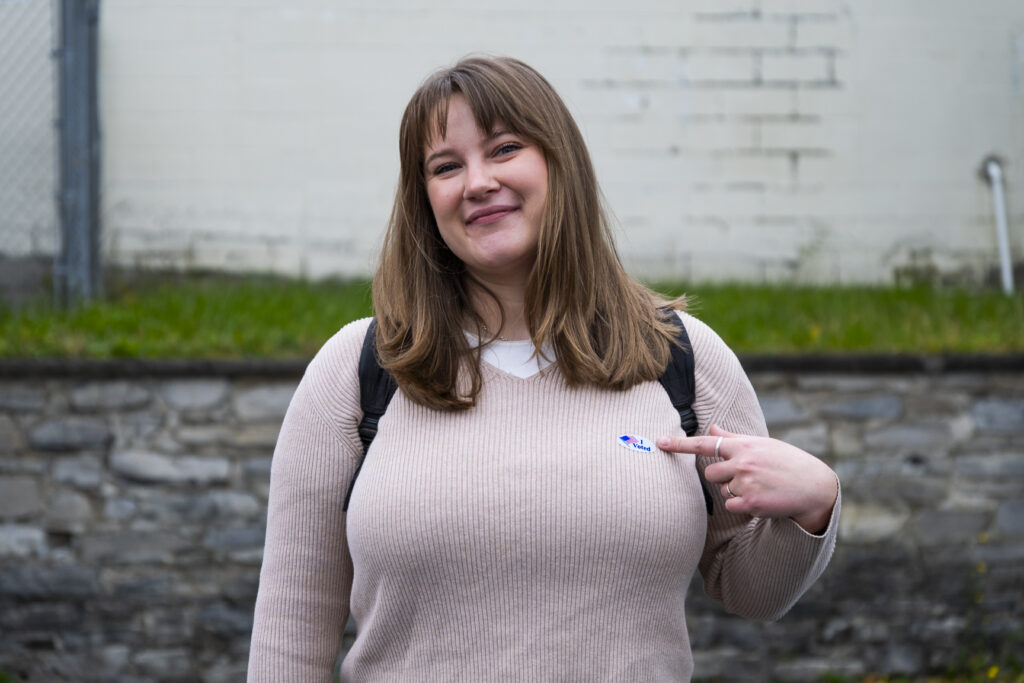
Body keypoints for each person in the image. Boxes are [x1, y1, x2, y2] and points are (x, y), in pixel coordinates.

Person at [247, 55, 840, 682]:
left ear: (560, 163)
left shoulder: (679, 358)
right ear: (425, 201)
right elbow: (293, 625)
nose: (476, 182)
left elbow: (751, 590)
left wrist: (813, 508)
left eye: (504, 149)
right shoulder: (359, 371)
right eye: (446, 166)